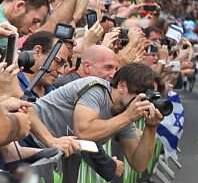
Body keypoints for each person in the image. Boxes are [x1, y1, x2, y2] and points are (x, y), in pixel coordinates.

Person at [32, 63, 162, 172]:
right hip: (29, 137)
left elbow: (139, 164)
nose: (143, 101)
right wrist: (127, 117)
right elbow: (83, 132)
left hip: (44, 151)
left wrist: (151, 127)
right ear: (122, 86)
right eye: (141, 94)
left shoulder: (124, 114)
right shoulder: (96, 89)